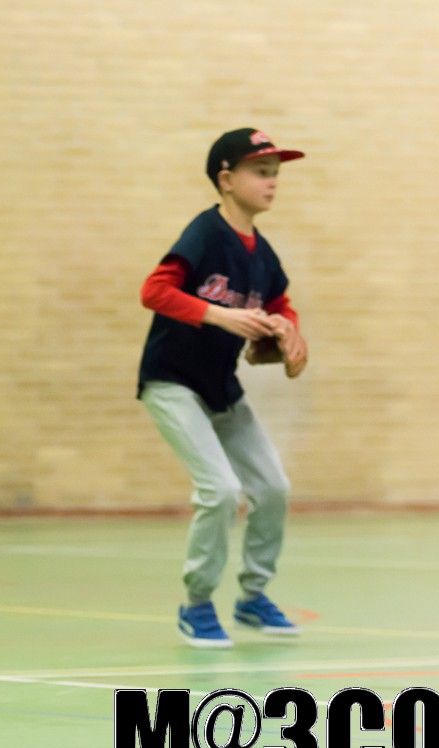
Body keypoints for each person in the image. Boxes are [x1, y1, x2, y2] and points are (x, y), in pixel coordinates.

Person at [136, 128, 309, 649]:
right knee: (221, 490)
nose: (272, 182)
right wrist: (219, 316)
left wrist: (288, 333)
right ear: (227, 179)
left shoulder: (262, 254)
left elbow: (280, 304)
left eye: (276, 173)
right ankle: (196, 605)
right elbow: (154, 291)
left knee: (272, 488)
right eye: (261, 172)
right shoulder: (206, 233)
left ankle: (253, 596)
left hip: (220, 387)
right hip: (171, 381)